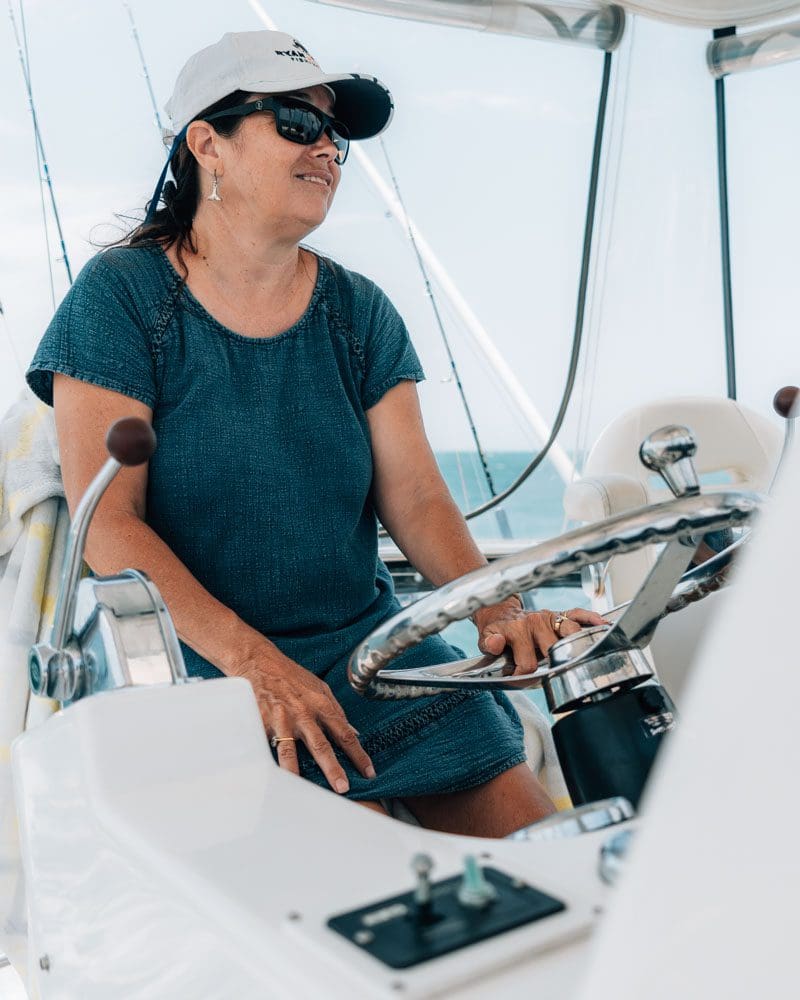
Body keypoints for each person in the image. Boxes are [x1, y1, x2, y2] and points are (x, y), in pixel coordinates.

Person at [25, 30, 603, 837]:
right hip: (197, 668)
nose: (328, 148)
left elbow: (416, 495)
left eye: (335, 134)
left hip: (373, 660)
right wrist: (257, 666)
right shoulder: (120, 299)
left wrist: (497, 610)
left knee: (546, 865)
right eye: (297, 123)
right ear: (208, 145)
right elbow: (111, 525)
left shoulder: (359, 311)